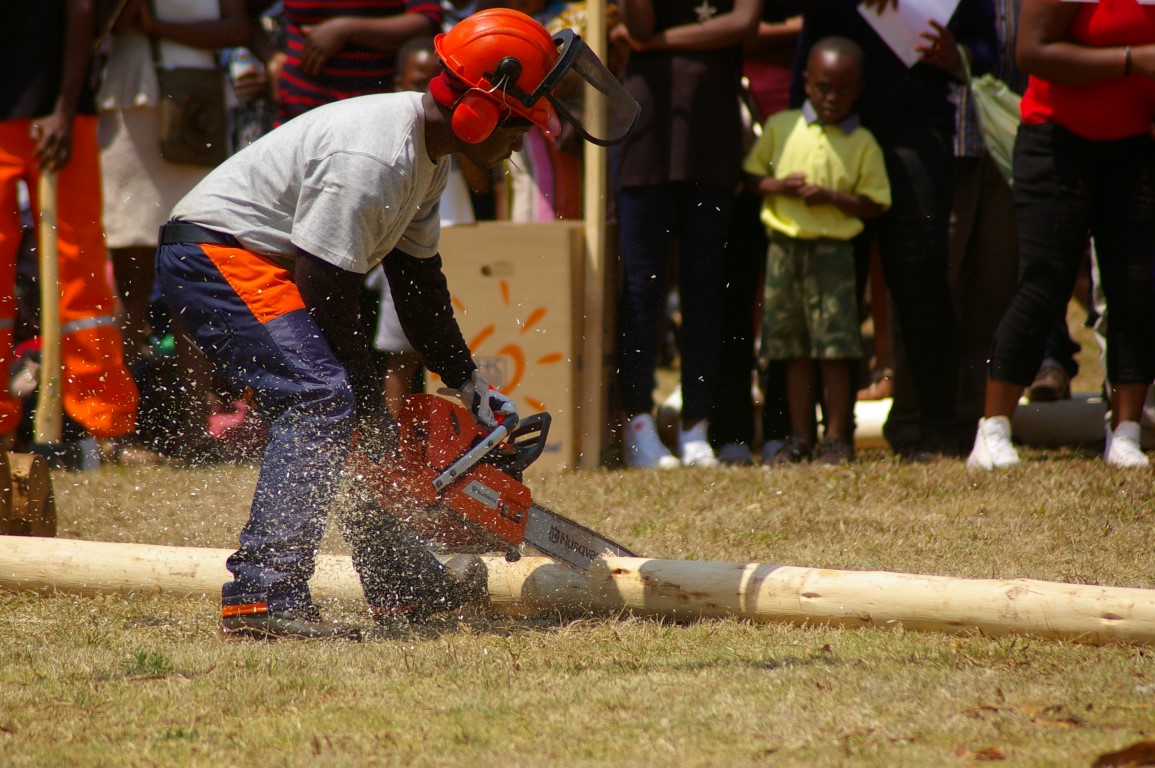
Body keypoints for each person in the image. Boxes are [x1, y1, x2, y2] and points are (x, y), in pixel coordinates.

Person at [153, 7, 638, 639]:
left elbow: (418, 285)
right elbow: (326, 288)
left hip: (263, 262)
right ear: (478, 113)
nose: (519, 145)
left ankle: (400, 583)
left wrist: (469, 383)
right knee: (322, 399)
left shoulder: (426, 160)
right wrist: (366, 403)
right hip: (215, 256)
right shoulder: (375, 156)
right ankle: (263, 595)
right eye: (518, 128)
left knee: (351, 419)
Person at [785, 0, 997, 461]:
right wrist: (794, 132)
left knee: (921, 277)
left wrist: (958, 56)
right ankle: (831, 436)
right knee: (833, 282)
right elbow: (809, 43)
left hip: (915, 128)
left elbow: (988, 47)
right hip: (837, 133)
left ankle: (936, 428)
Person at [967, 0, 1155, 470]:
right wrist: (1131, 59)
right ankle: (993, 430)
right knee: (1044, 283)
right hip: (1056, 141)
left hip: (1134, 144)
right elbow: (1032, 51)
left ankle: (1126, 433)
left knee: (1134, 288)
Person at [98, 0, 252, 463]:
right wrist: (148, 24)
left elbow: (238, 28)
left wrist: (157, 24)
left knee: (194, 277)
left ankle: (192, 430)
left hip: (195, 109)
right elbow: (109, 22)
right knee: (130, 281)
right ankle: (114, 430)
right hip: (135, 100)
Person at [614, 0, 763, 470]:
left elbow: (745, 22)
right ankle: (638, 423)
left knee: (704, 285)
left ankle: (696, 426)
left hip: (712, 128)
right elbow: (638, 25)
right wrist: (646, 38)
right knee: (642, 284)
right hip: (648, 128)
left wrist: (654, 43)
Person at [0, 1, 142, 457]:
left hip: (58, 113)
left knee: (79, 269)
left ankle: (104, 425)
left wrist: (62, 108)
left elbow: (83, 9)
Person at [743, 36, 890, 465]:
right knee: (793, 349)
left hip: (834, 255)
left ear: (858, 89)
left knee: (836, 349)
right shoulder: (781, 127)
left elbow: (875, 203)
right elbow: (752, 178)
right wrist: (779, 186)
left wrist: (831, 197)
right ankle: (800, 438)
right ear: (806, 82)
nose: (831, 97)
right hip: (784, 252)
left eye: (843, 89)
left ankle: (839, 438)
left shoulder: (862, 141)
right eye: (823, 87)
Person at [367, 34, 477, 416]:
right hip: (402, 246)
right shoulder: (391, 141)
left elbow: (482, 183)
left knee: (447, 339)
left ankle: (454, 432)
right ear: (398, 84)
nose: (428, 94)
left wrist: (466, 135)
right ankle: (390, 437)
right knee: (401, 353)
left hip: (457, 237)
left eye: (437, 83)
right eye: (418, 83)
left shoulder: (453, 135)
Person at [272, 0, 443, 125]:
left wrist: (346, 30)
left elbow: (427, 21)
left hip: (370, 110)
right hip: (298, 106)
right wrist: (271, 58)